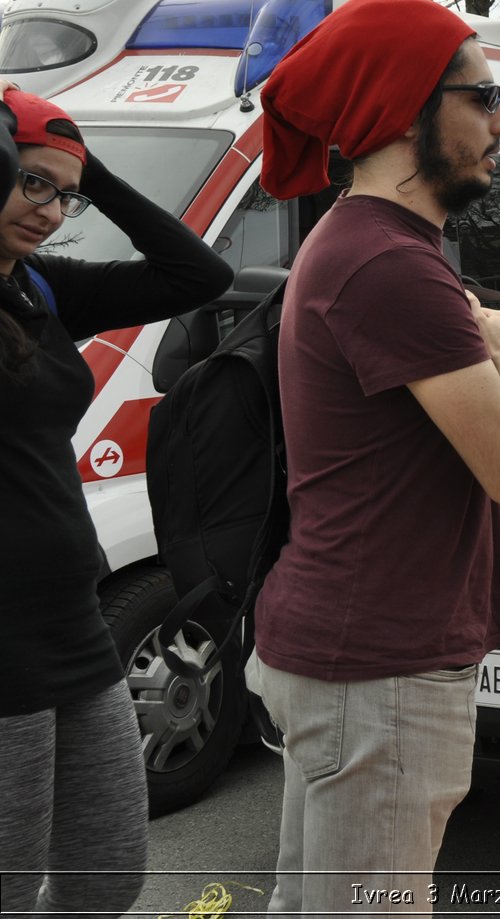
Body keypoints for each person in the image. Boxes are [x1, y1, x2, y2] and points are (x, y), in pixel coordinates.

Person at [247, 0, 500, 914]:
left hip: (353, 658)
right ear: (404, 108)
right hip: (376, 672)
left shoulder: (367, 244)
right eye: (484, 96)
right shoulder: (390, 264)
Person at [0, 89, 233, 912]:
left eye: (64, 195)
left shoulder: (41, 288)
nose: (52, 211)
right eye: (31, 183)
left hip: (76, 630)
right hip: (2, 652)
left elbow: (200, 274)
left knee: (104, 871)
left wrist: (83, 163)